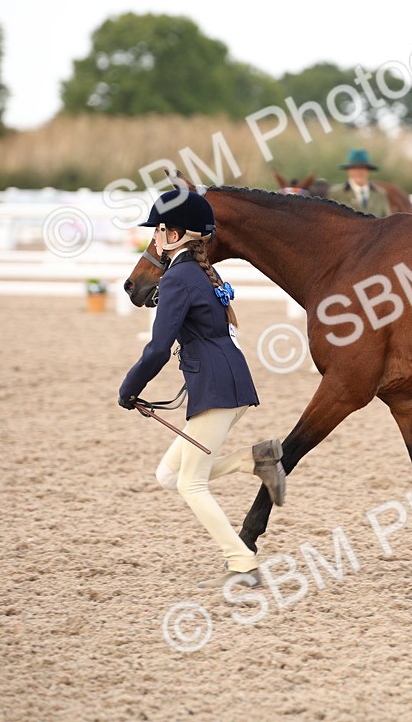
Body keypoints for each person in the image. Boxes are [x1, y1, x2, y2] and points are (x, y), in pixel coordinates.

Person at [118, 184, 286, 589]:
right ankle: (255, 460)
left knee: (191, 484)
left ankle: (241, 562)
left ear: (175, 235)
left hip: (215, 389)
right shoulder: (197, 272)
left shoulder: (178, 279)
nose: (154, 237)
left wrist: (128, 388)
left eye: (158, 230)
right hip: (226, 380)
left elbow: (158, 348)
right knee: (168, 474)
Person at [328, 148, 391, 217]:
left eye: (362, 168)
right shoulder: (336, 194)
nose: (358, 172)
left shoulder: (380, 194)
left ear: (368, 170)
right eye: (354, 168)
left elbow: (387, 222)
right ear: (348, 170)